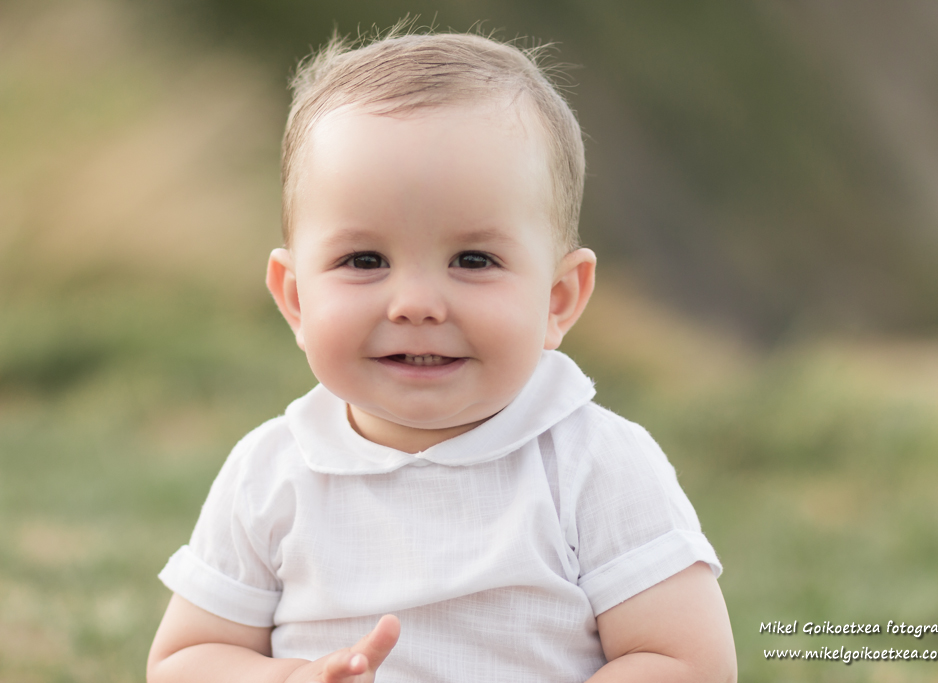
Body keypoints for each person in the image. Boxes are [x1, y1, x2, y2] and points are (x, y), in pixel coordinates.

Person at [147, 28, 737, 683]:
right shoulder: (271, 472)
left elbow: (689, 660)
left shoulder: (593, 463)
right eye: (364, 260)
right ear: (294, 298)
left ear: (558, 298)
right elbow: (185, 660)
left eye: (473, 260)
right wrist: (287, 677)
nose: (417, 304)